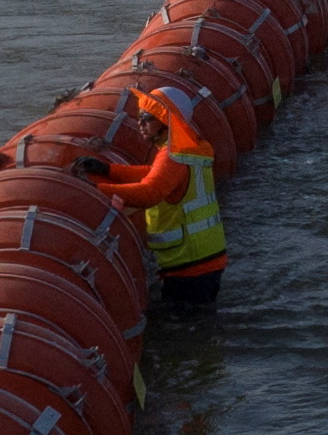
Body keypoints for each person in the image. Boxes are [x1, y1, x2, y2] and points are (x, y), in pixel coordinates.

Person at [77, 90, 230, 307]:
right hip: (203, 258)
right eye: (138, 116)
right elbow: (154, 174)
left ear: (165, 121)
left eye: (146, 117)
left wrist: (94, 190)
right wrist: (109, 170)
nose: (140, 123)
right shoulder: (186, 151)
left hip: (189, 264)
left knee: (182, 328)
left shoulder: (173, 155)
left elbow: (150, 192)